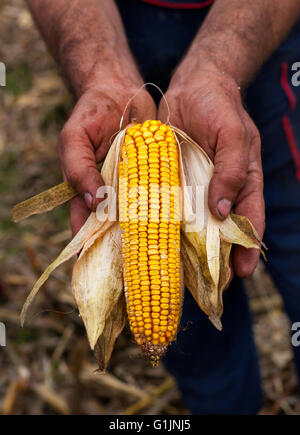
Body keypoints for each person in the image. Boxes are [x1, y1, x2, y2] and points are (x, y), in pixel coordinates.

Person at [27, 0, 300, 414]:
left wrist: (220, 69)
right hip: (115, 22)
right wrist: (100, 71)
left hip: (257, 23)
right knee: (201, 352)